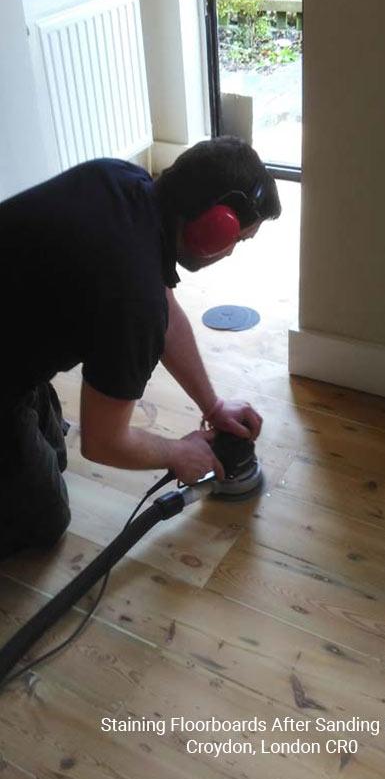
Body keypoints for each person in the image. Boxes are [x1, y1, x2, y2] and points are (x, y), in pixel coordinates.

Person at [0, 136, 281, 560]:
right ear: (213, 228)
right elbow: (103, 442)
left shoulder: (123, 181)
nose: (233, 250)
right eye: (239, 239)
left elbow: (164, 310)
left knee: (52, 454)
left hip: (15, 340)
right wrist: (179, 453)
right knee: (44, 520)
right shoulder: (132, 298)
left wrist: (213, 404)